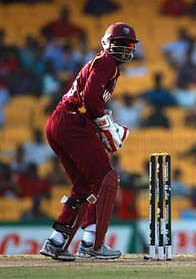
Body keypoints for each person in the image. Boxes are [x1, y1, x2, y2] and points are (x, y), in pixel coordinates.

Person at [40, 22, 139, 261]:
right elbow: (92, 98)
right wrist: (105, 124)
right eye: (119, 44)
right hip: (73, 121)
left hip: (61, 121)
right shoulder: (107, 62)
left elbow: (88, 98)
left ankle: (56, 241)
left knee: (83, 185)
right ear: (106, 43)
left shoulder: (105, 63)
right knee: (105, 178)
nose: (124, 49)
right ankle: (92, 244)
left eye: (128, 45)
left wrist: (99, 123)